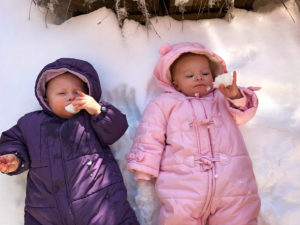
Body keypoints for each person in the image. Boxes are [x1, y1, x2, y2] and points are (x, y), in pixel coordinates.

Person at [126, 42, 261, 225]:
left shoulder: (222, 98)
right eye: (190, 75)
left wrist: (235, 96)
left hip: (232, 187)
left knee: (239, 218)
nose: (198, 78)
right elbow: (150, 134)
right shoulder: (164, 104)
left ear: (214, 75)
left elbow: (243, 113)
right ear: (175, 83)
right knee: (178, 218)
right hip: (183, 187)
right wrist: (144, 165)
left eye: (204, 73)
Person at [0, 58, 139, 225]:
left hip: (99, 207)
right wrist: (14, 159)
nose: (70, 98)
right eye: (62, 93)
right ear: (46, 97)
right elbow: (13, 140)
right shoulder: (31, 124)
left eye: (77, 93)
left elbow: (116, 130)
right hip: (47, 213)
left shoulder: (90, 119)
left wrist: (98, 110)